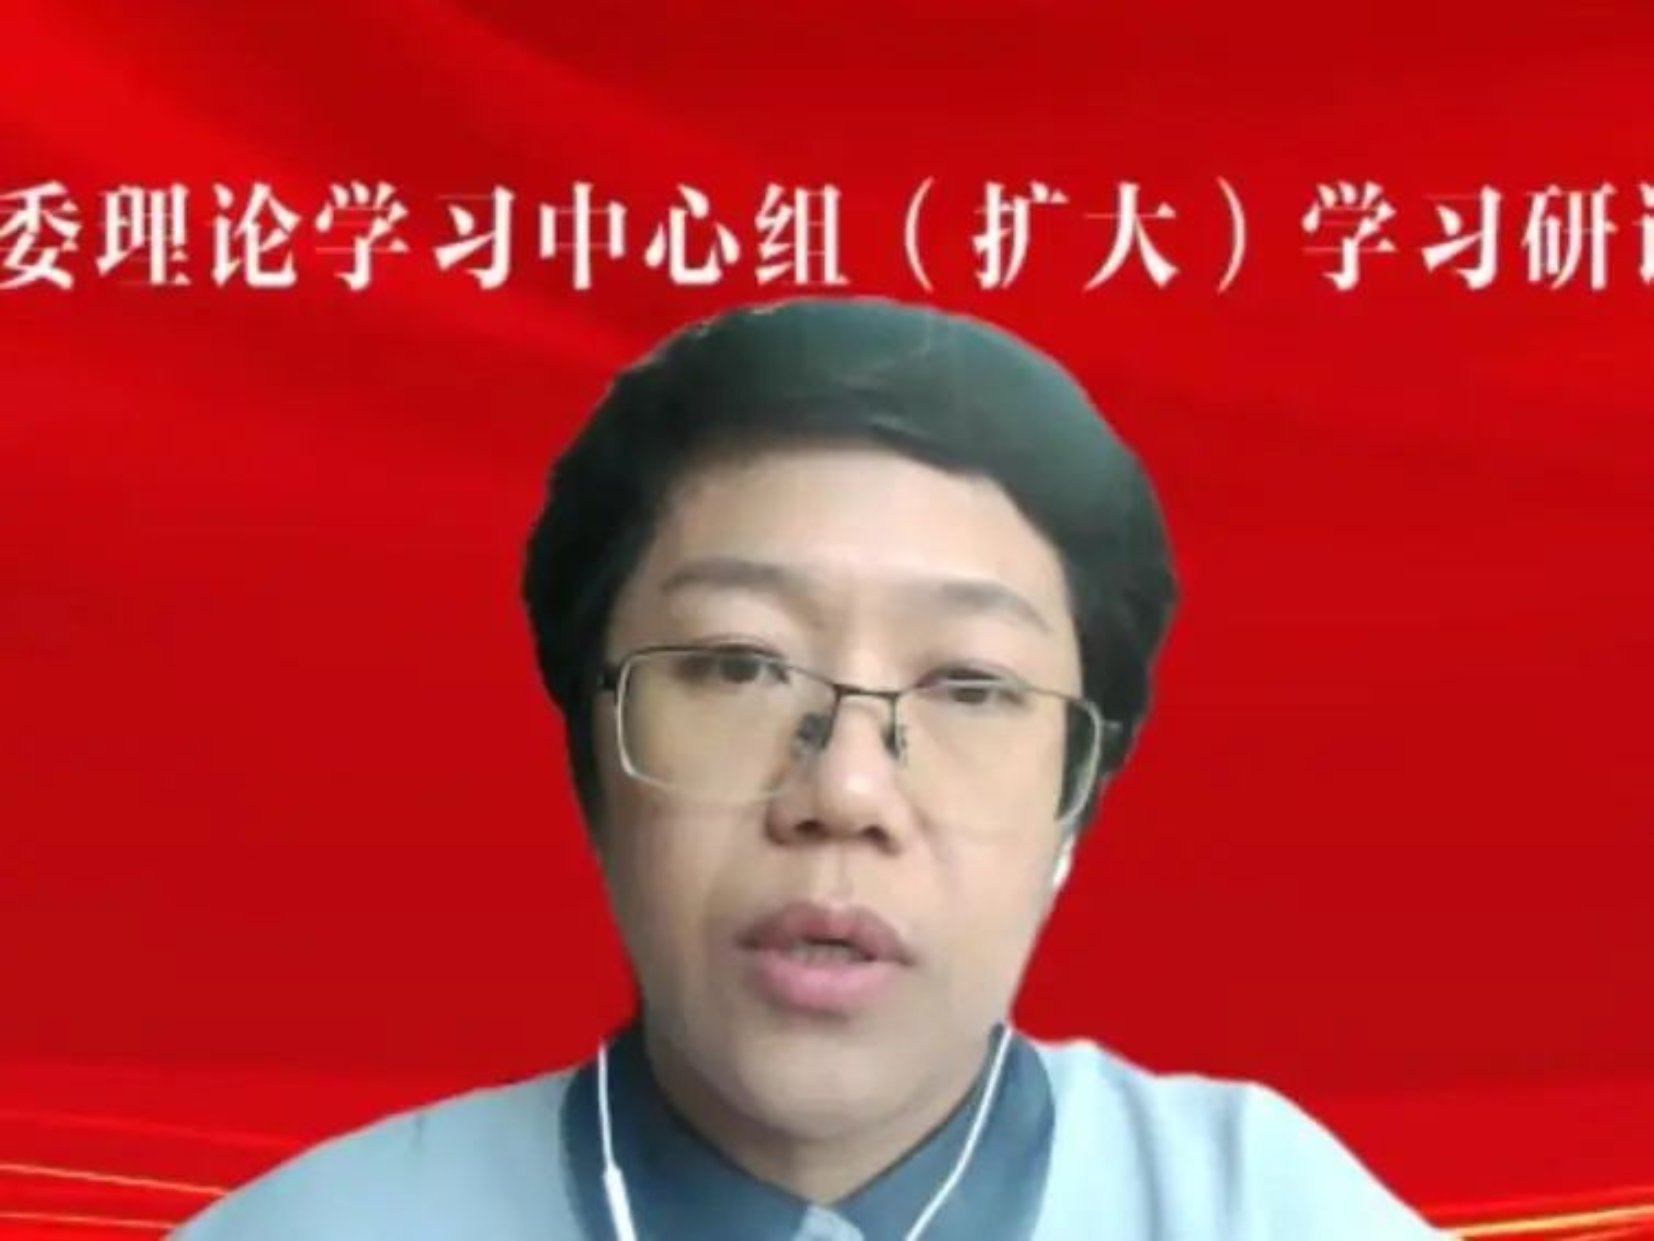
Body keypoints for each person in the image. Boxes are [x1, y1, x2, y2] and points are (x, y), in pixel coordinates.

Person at [175, 297, 1440, 1239]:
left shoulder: (1264, 1210)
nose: (843, 792)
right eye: (739, 664)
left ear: (1075, 800)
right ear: (590, 755)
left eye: (970, 684)